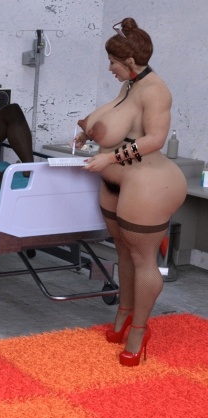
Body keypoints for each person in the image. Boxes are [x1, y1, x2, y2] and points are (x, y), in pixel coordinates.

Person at [75, 18, 186, 367]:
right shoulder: (131, 85)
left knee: (142, 258)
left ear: (131, 62)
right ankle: (124, 313)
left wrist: (109, 157)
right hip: (118, 179)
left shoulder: (155, 91)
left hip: (147, 183)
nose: (110, 68)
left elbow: (155, 140)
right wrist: (88, 132)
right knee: (122, 250)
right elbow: (118, 117)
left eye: (113, 62)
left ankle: (139, 330)